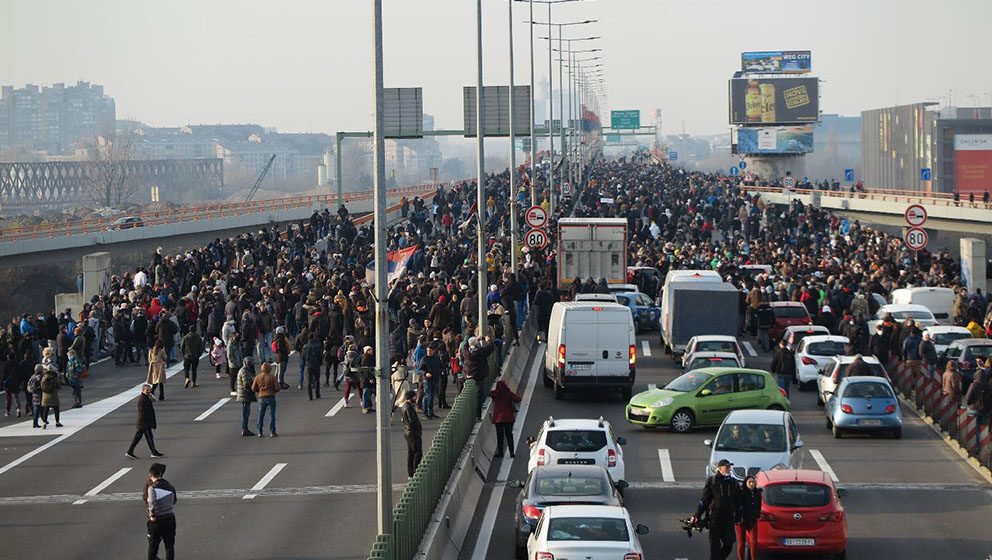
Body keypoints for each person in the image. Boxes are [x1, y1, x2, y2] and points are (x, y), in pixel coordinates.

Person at [691, 458, 741, 560]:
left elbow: (738, 501)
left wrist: (739, 515)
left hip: (729, 518)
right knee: (714, 546)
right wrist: (697, 515)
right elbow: (704, 500)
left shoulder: (733, 482)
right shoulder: (712, 481)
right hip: (715, 518)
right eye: (726, 467)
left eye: (729, 467)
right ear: (719, 468)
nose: (728, 469)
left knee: (729, 543)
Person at [145, 462, 177, 560]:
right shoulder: (170, 487)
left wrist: (152, 515)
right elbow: (174, 500)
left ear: (151, 476)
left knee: (153, 547)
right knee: (169, 546)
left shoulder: (152, 488)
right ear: (160, 474)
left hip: (157, 520)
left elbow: (151, 501)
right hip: (170, 518)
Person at [126, 384, 164, 459]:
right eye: (147, 390)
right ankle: (153, 452)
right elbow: (143, 412)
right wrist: (149, 422)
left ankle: (130, 452)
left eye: (149, 390)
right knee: (149, 437)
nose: (149, 391)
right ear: (143, 390)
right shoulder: (142, 399)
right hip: (144, 422)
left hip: (143, 422)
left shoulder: (146, 397)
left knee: (138, 438)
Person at [462, 336, 495, 420]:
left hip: (468, 374)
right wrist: (488, 340)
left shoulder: (466, 352)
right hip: (478, 375)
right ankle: (478, 415)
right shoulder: (480, 352)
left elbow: (464, 345)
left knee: (467, 394)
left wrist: (476, 338)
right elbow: (490, 348)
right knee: (479, 395)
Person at [490, 378, 521, 458]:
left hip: (498, 419)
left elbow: (491, 394)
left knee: (500, 436)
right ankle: (511, 452)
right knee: (509, 435)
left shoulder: (495, 394)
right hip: (508, 418)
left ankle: (500, 452)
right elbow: (518, 399)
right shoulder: (508, 393)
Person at [735, 475, 761, 560]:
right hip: (741, 521)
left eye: (753, 482)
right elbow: (737, 505)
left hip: (752, 521)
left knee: (754, 542)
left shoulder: (757, 493)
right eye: (749, 482)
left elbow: (759, 505)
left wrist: (757, 514)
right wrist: (739, 517)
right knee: (742, 542)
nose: (751, 484)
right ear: (745, 483)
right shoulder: (741, 493)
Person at [251, 361, 279, 437]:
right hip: (271, 396)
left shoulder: (258, 377)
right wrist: (274, 390)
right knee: (272, 415)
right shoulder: (272, 377)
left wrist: (259, 391)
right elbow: (277, 388)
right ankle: (272, 431)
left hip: (261, 397)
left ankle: (260, 431)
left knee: (260, 415)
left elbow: (253, 388)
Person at [400, 389, 422, 478]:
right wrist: (418, 430)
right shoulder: (408, 408)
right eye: (415, 396)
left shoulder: (404, 406)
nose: (416, 398)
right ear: (411, 397)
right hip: (412, 433)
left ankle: (411, 473)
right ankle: (414, 471)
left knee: (411, 453)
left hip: (408, 432)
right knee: (417, 453)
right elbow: (412, 421)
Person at [420, 344, 442, 419]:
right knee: (427, 396)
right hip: (427, 380)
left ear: (433, 351)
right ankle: (425, 413)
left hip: (435, 379)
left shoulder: (436, 358)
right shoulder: (424, 359)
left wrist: (439, 372)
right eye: (427, 351)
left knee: (432, 397)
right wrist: (426, 373)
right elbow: (421, 369)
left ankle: (431, 412)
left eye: (430, 351)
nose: (428, 352)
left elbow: (440, 366)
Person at [236, 356, 257, 436]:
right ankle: (244, 429)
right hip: (245, 395)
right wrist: (253, 387)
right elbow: (246, 384)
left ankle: (245, 428)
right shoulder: (244, 371)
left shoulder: (244, 370)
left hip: (243, 394)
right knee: (246, 413)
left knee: (246, 412)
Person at [40, 363, 62, 428]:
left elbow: (41, 386)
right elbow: (58, 386)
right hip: (53, 395)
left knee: (45, 409)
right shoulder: (55, 376)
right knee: (56, 409)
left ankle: (44, 423)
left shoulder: (44, 377)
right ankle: (57, 422)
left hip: (45, 396)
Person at [302, 332, 323, 400]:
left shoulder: (305, 346)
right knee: (317, 379)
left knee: (309, 381)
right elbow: (320, 355)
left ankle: (310, 396)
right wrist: (320, 362)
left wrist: (305, 362)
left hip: (308, 364)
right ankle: (317, 394)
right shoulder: (318, 345)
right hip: (316, 364)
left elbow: (303, 356)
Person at [27, 363, 44, 428]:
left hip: (34, 394)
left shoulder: (33, 376)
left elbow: (29, 385)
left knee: (37, 408)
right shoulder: (41, 376)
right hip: (39, 393)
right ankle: (41, 421)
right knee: (40, 408)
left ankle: (36, 422)